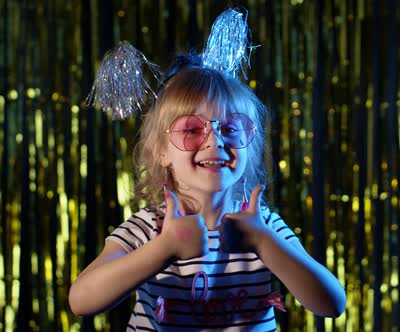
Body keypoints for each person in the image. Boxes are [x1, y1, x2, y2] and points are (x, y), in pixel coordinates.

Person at [68, 8, 346, 331]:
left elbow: (332, 303)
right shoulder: (150, 227)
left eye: (230, 128)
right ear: (161, 150)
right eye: (191, 130)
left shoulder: (262, 223)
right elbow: (81, 299)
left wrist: (263, 242)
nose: (215, 142)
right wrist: (165, 248)